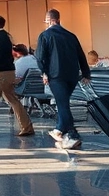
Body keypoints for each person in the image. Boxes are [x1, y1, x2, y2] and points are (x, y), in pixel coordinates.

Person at [36, 9, 91, 150]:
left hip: (56, 75)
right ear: (59, 19)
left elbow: (40, 57)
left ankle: (72, 135)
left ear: (48, 20)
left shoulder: (45, 36)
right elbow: (81, 55)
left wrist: (44, 73)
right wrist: (86, 73)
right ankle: (59, 129)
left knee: (62, 104)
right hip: (72, 75)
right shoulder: (71, 36)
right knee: (63, 102)